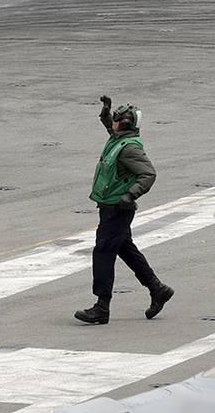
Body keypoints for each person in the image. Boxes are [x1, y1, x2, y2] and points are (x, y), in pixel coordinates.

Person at [75, 96, 174, 324]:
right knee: (125, 249)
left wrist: (129, 196)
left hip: (118, 209)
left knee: (103, 252)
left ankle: (102, 307)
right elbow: (111, 128)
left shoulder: (129, 148)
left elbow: (149, 174)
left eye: (117, 120)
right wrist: (105, 113)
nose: (114, 124)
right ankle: (158, 289)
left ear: (125, 125)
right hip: (111, 207)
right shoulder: (119, 138)